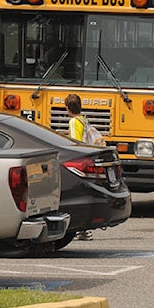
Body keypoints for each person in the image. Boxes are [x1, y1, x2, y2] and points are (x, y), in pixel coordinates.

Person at [64, 93, 94, 240]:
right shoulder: (83, 120)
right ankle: (85, 230)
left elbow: (75, 141)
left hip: (77, 162)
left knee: (75, 196)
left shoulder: (73, 122)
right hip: (87, 159)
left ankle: (82, 229)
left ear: (68, 108)